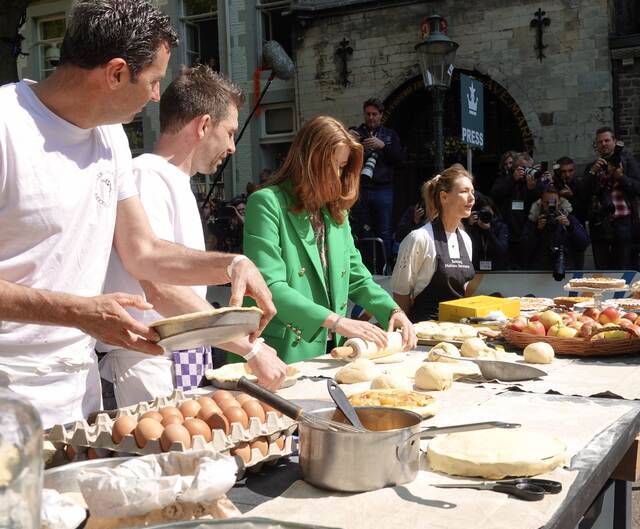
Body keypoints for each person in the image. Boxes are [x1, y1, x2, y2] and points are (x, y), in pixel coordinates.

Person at [0, 0, 275, 427]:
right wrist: (77, 311)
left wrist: (230, 263)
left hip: (78, 393)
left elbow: (142, 250)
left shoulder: (110, 138)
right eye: (152, 82)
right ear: (115, 73)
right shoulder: (6, 126)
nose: (154, 98)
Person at [99, 65, 289, 407]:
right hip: (144, 363)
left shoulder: (172, 182)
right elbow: (159, 287)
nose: (232, 146)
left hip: (175, 358)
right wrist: (249, 347)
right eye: (229, 132)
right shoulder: (147, 176)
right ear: (203, 125)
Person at [240, 115, 416, 364]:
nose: (338, 174)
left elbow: (356, 277)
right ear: (309, 161)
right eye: (334, 164)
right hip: (278, 355)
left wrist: (393, 310)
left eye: (343, 166)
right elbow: (269, 287)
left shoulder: (336, 211)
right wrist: (337, 321)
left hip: (333, 354)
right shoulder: (266, 203)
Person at [391, 166, 476, 322]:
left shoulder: (465, 239)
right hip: (424, 334)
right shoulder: (419, 238)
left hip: (459, 330)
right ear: (444, 197)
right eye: (464, 191)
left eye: (472, 192)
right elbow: (401, 294)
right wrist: (403, 330)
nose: (471, 198)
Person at [349, 98, 404, 262]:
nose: (371, 118)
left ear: (381, 115)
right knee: (363, 229)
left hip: (383, 188)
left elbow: (399, 159)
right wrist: (350, 141)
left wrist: (383, 146)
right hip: (362, 188)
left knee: (384, 230)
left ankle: (384, 266)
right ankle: (366, 267)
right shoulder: (356, 133)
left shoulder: (389, 135)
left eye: (374, 114)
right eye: (368, 114)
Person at [583, 127, 640, 269]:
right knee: (603, 270)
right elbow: (583, 193)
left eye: (607, 140)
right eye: (600, 142)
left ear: (614, 142)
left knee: (624, 268)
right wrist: (592, 172)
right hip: (600, 224)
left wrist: (621, 177)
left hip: (624, 221)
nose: (603, 144)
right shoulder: (592, 167)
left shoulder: (627, 162)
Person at [490, 152, 544, 268]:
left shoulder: (533, 181)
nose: (526, 171)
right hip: (508, 232)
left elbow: (541, 201)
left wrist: (531, 189)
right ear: (515, 168)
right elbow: (495, 195)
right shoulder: (505, 179)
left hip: (527, 233)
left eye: (529, 168)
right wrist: (512, 179)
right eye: (523, 168)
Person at [522, 185, 590, 274]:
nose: (551, 206)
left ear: (559, 202)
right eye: (547, 203)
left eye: (553, 203)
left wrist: (570, 227)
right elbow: (523, 249)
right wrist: (537, 230)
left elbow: (584, 243)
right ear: (542, 202)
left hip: (565, 269)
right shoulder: (534, 220)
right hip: (539, 272)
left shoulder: (569, 218)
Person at [464, 194, 509, 271]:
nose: (485, 215)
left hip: (496, 270)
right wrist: (469, 226)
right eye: (483, 212)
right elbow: (466, 249)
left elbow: (501, 251)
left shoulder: (501, 227)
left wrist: (488, 231)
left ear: (493, 212)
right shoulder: (474, 226)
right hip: (475, 269)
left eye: (488, 212)